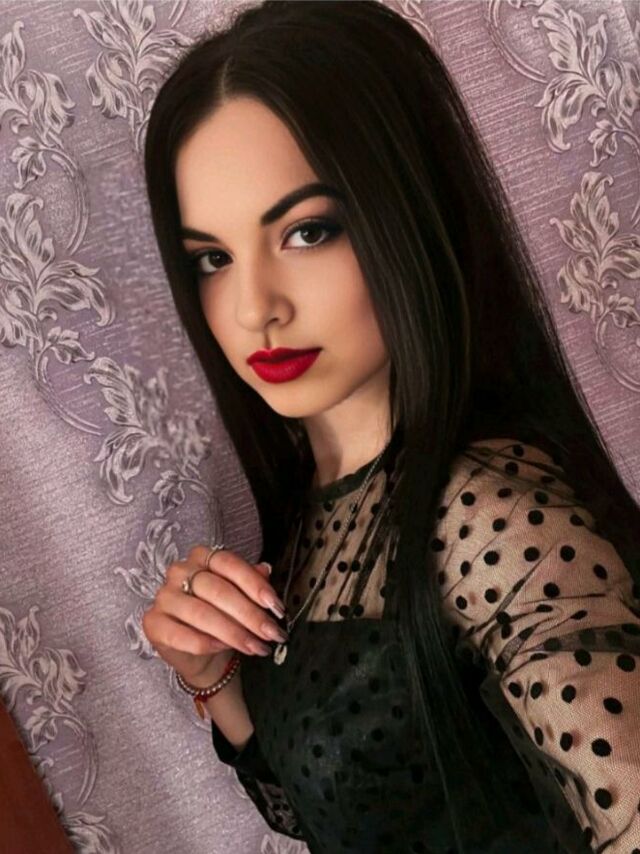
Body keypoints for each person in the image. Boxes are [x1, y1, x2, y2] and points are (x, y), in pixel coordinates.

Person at [140, 2, 640, 851]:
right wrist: (214, 675)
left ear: (407, 213)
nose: (255, 307)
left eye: (307, 231)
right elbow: (341, 811)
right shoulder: (317, 511)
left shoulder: (491, 520)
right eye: (213, 259)